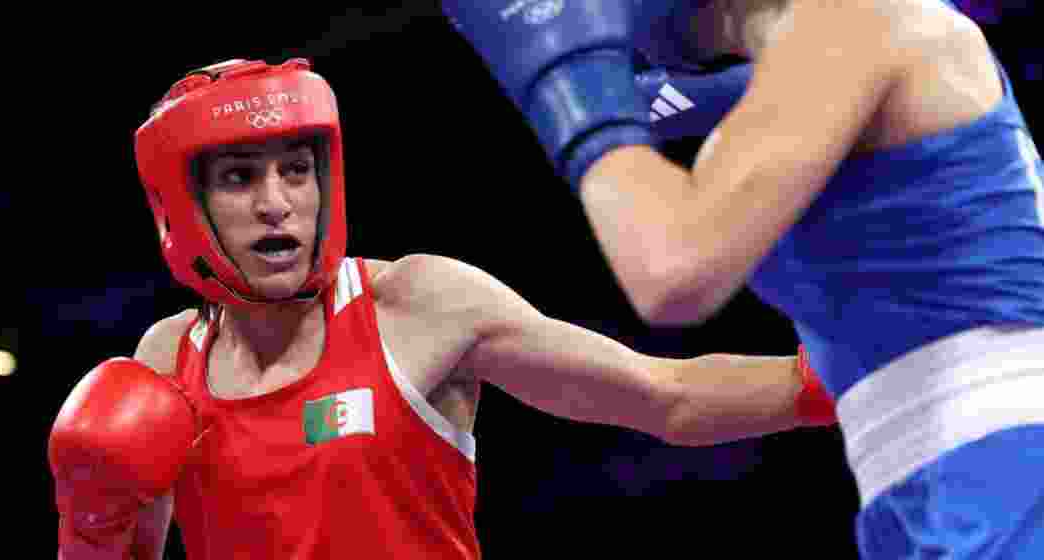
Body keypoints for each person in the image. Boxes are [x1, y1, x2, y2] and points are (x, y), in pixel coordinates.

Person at [47, 58, 837, 560]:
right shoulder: (163, 360)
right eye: (239, 178)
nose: (278, 205)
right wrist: (90, 523)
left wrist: (875, 376)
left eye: (296, 170)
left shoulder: (417, 305)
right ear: (181, 206)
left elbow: (668, 397)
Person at [443, 0, 1044, 558]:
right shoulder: (812, 68)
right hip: (925, 477)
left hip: (1004, 459)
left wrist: (567, 78)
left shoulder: (853, 19)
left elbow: (670, 270)